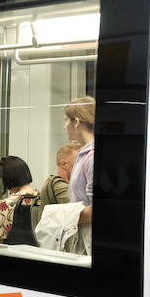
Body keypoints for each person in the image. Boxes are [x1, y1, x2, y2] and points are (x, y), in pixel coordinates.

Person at [64, 96, 96, 225]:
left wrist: (62, 218)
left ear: (76, 122)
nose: (64, 126)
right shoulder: (83, 154)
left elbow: (97, 210)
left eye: (66, 120)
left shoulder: (92, 158)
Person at [31, 142, 77, 229]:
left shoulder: (54, 183)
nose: (81, 166)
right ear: (64, 164)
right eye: (78, 162)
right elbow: (77, 212)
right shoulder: (58, 184)